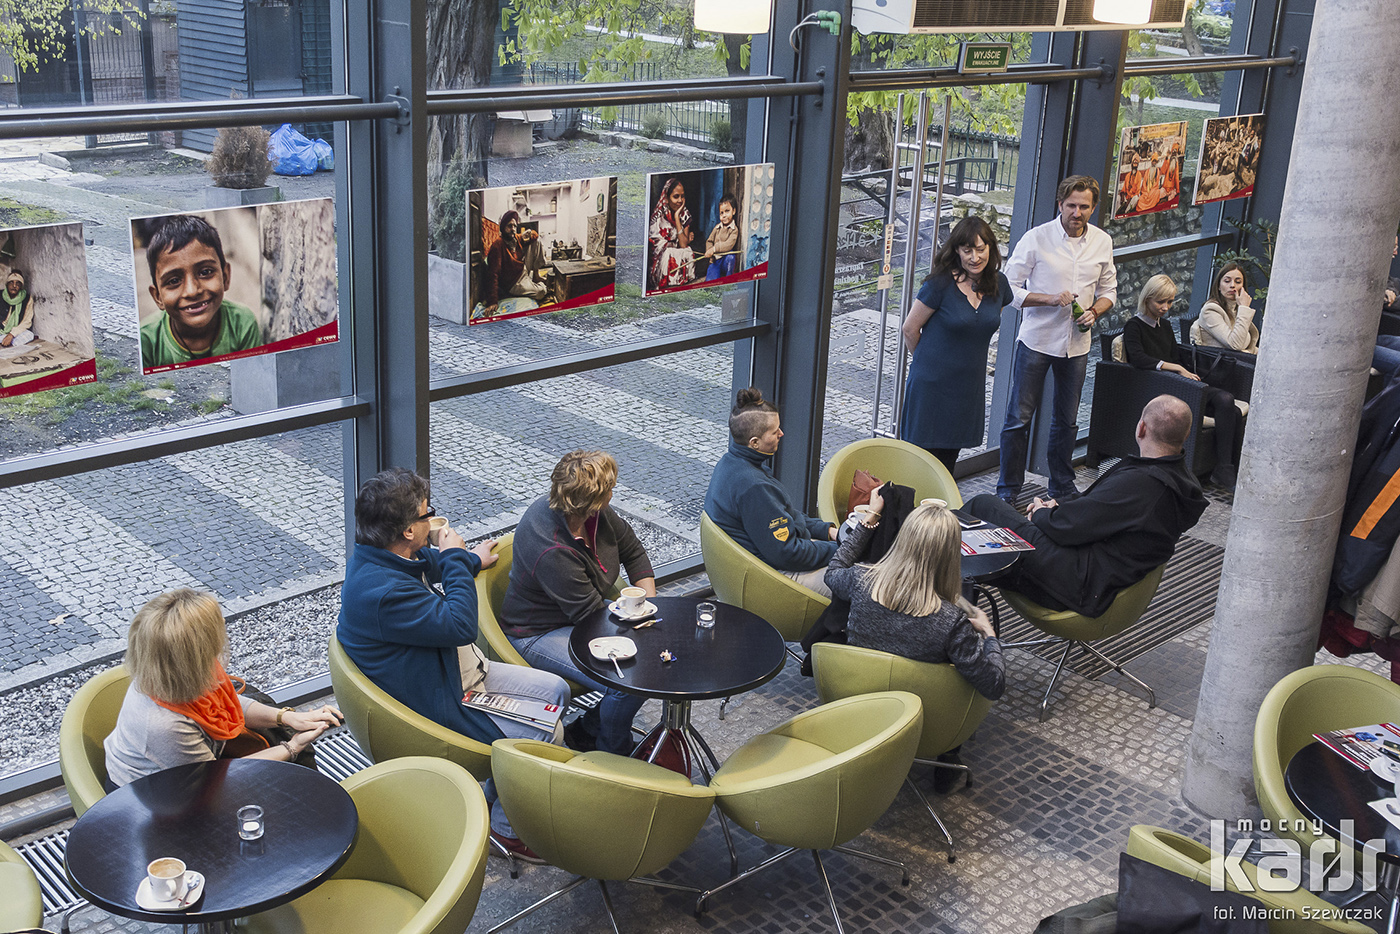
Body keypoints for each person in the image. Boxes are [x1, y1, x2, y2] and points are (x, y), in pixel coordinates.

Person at [337, 467, 571, 862]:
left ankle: (493, 792)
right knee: (550, 731)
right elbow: (462, 625)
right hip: (445, 699)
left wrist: (465, 558)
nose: (432, 521)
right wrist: (456, 560)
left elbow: (426, 562)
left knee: (557, 690)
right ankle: (508, 830)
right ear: (408, 530)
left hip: (458, 673)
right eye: (427, 515)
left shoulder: (379, 558)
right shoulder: (382, 593)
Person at [967, 395, 1208, 618]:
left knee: (983, 507)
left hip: (1076, 582)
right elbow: (1099, 509)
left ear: (1141, 428)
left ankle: (948, 615)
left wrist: (1042, 513)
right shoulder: (1178, 480)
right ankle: (958, 600)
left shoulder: (1142, 484)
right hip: (1102, 577)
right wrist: (1059, 504)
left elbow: (1066, 527)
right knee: (984, 535)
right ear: (1185, 435)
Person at [499, 450, 654, 756]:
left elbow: (633, 551)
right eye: (610, 489)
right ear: (594, 500)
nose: (613, 492)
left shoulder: (596, 515)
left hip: (582, 616)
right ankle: (613, 754)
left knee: (644, 665)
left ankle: (588, 730)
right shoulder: (553, 550)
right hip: (537, 633)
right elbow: (591, 617)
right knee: (627, 681)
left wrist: (648, 603)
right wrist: (642, 630)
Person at [104, 588, 341, 788]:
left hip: (194, 768)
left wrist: (287, 718)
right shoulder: (165, 726)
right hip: (155, 795)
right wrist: (293, 746)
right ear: (193, 659)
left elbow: (228, 702)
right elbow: (219, 779)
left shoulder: (171, 672)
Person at [997, 175, 1118, 504]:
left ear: (1093, 208)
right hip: (1037, 340)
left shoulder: (1102, 242)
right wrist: (1049, 299)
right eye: (1071, 205)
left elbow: (1109, 292)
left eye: (1084, 206)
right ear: (1060, 204)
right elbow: (1007, 290)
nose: (1077, 212)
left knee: (1066, 420)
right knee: (1018, 419)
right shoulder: (1036, 239)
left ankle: (1062, 486)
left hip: (1077, 346)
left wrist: (1095, 311)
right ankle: (1008, 491)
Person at [824, 495, 1004, 700]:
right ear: (951, 556)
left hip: (856, 695)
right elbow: (993, 685)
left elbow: (833, 571)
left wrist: (869, 520)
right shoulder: (952, 622)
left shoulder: (860, 580)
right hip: (920, 710)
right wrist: (989, 635)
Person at [899, 216, 1014, 473]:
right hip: (931, 388)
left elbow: (985, 323)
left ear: (991, 249)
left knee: (947, 465)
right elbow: (909, 328)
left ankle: (940, 513)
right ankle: (911, 514)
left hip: (967, 389)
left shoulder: (1000, 284)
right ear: (957, 251)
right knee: (917, 464)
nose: (974, 257)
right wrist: (927, 363)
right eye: (967, 250)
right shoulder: (939, 284)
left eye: (980, 249)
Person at [704, 387, 838, 596]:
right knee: (864, 579)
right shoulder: (754, 487)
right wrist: (844, 550)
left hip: (767, 561)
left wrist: (828, 532)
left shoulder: (730, 464)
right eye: (775, 432)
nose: (781, 434)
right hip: (775, 579)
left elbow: (787, 516)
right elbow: (788, 554)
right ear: (754, 442)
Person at [1123, 274, 1242, 489]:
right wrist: (1177, 369)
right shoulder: (1134, 326)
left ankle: (1225, 468)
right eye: (1160, 302)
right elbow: (1139, 359)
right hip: (1160, 388)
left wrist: (1183, 371)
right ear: (1147, 299)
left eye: (1169, 302)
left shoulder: (1165, 327)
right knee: (1226, 401)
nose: (1165, 307)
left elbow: (1175, 356)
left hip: (1177, 383)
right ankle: (1224, 470)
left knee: (1230, 408)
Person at [139, 214, 262, 368]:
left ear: (225, 277)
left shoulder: (242, 323)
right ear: (158, 297)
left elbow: (251, 376)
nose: (192, 291)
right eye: (174, 281)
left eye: (205, 272)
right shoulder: (145, 341)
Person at [482, 210, 551, 314]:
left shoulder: (516, 238)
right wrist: (492, 301)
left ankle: (536, 276)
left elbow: (535, 235)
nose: (513, 229)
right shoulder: (498, 246)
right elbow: (493, 274)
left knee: (536, 242)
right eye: (510, 226)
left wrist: (529, 234)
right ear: (503, 227)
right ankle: (537, 285)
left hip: (522, 271)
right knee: (541, 292)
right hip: (514, 282)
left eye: (514, 226)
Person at [1191, 262, 1259, 353]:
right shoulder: (1211, 310)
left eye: (1238, 282)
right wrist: (1244, 308)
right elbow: (1236, 344)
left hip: (1243, 361)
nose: (1232, 285)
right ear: (1219, 285)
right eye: (1227, 281)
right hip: (1222, 364)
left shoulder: (1235, 310)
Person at [648, 177, 695, 290]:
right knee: (669, 252)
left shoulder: (685, 214)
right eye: (675, 196)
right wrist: (679, 242)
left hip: (677, 253)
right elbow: (656, 247)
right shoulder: (658, 217)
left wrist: (677, 217)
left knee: (688, 251)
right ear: (667, 198)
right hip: (661, 261)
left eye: (682, 196)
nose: (680, 200)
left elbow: (683, 245)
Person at [702, 193, 740, 281]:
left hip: (725, 260)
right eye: (721, 213)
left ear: (733, 211)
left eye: (727, 211)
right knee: (710, 282)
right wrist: (709, 250)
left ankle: (728, 279)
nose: (724, 215)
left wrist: (714, 249)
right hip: (715, 260)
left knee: (731, 257)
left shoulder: (734, 230)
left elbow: (728, 245)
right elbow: (709, 241)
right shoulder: (717, 228)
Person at [0, 270, 35, 349]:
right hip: (1, 331)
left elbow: (27, 322)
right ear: (7, 284)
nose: (14, 286)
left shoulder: (27, 298)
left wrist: (11, 334)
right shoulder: (0, 295)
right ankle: (6, 342)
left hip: (16, 332)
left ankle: (8, 343)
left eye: (18, 283)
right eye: (11, 282)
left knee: (29, 335)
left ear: (21, 286)